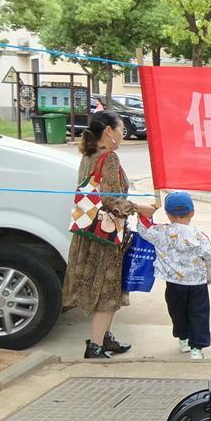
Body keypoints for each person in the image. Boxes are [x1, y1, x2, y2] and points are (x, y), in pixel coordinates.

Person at [62, 110, 157, 359]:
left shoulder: (89, 154)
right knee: (107, 290)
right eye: (121, 130)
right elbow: (111, 200)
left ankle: (105, 337)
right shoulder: (109, 157)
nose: (123, 135)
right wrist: (140, 208)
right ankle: (95, 346)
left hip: (89, 232)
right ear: (108, 131)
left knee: (108, 289)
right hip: (106, 236)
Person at [135, 191, 211, 360]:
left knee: (177, 312)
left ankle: (183, 338)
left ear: (168, 214)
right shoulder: (200, 236)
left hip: (173, 283)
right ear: (192, 212)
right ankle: (197, 348)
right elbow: (210, 257)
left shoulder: (161, 232)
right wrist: (209, 276)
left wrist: (145, 213)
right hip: (197, 284)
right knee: (199, 314)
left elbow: (144, 229)